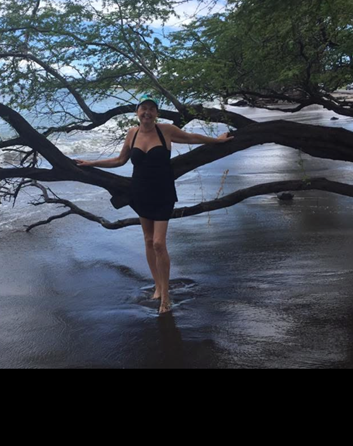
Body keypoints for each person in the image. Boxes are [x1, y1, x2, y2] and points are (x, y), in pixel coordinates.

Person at [75, 95, 234, 314]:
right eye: (143, 108)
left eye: (151, 109)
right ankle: (158, 287)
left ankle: (166, 296)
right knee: (149, 240)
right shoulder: (132, 133)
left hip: (163, 192)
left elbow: (191, 138)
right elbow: (119, 160)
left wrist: (218, 140)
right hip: (140, 193)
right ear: (137, 112)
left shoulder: (166, 130)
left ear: (156, 113)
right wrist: (91, 163)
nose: (147, 112)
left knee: (159, 243)